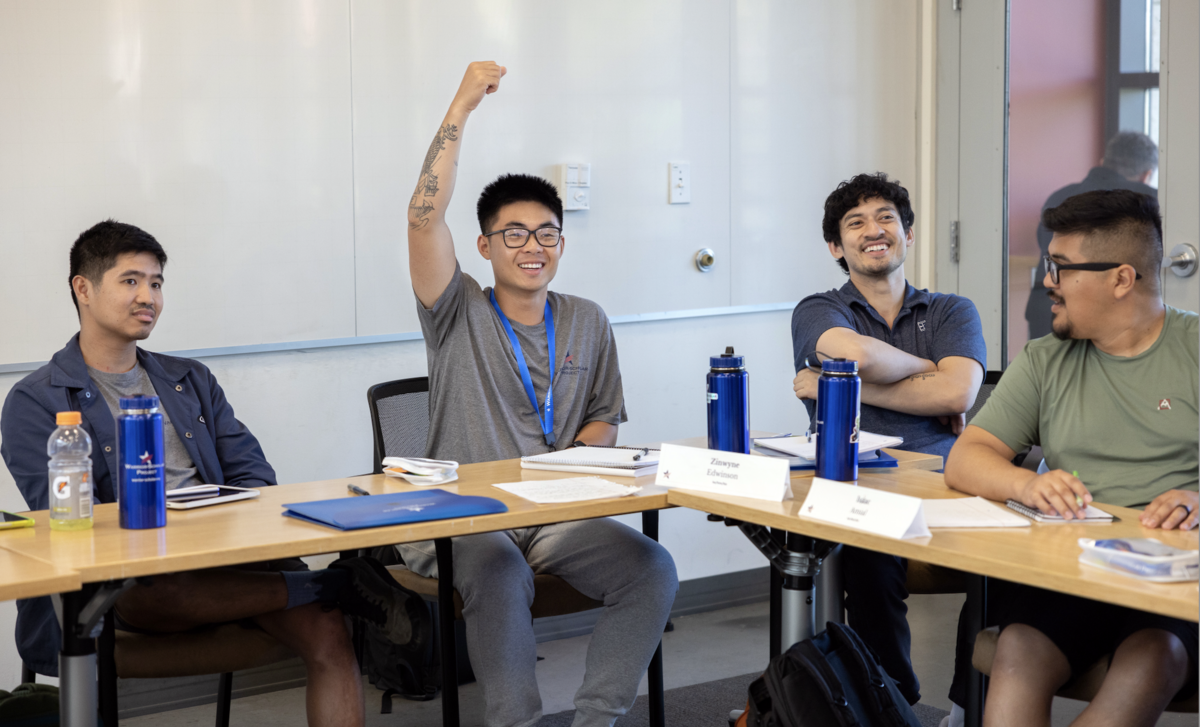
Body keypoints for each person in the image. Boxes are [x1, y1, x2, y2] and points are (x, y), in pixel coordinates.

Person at [1, 220, 427, 727]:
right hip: (123, 584)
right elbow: (66, 519)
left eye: (157, 283)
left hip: (222, 556)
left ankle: (324, 594)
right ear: (84, 289)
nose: (149, 297)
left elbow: (253, 472)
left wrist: (222, 524)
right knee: (154, 587)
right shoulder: (36, 399)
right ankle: (332, 585)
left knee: (328, 633)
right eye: (131, 281)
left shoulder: (189, 379)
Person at [402, 61, 678, 727]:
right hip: (463, 513)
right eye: (515, 234)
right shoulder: (457, 308)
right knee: (496, 571)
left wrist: (572, 464)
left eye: (547, 232)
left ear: (562, 241)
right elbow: (421, 216)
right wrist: (461, 107)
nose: (534, 246)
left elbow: (605, 418)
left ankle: (595, 718)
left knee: (653, 567)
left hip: (554, 515)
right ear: (484, 245)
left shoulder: (586, 317)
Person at [945, 189, 1198, 727]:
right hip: (1075, 571)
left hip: (1174, 583)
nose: (1046, 282)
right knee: (1017, 651)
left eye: (1060, 267)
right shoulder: (1046, 358)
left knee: (1153, 659)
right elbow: (966, 458)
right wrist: (1025, 484)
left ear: (1121, 279)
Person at [791, 172, 987, 707]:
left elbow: (957, 394)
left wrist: (842, 387)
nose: (873, 230)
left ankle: (969, 706)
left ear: (908, 234)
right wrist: (930, 371)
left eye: (886, 219)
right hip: (861, 482)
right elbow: (855, 355)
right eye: (856, 223)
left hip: (945, 481)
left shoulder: (952, 310)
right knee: (867, 558)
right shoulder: (819, 309)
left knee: (1004, 564)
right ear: (836, 246)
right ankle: (895, 702)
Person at [1025, 131, 1158, 340]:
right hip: (1108, 321)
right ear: (1146, 174)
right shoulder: (1147, 201)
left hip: (1044, 309)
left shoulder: (1058, 197)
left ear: (1103, 161)